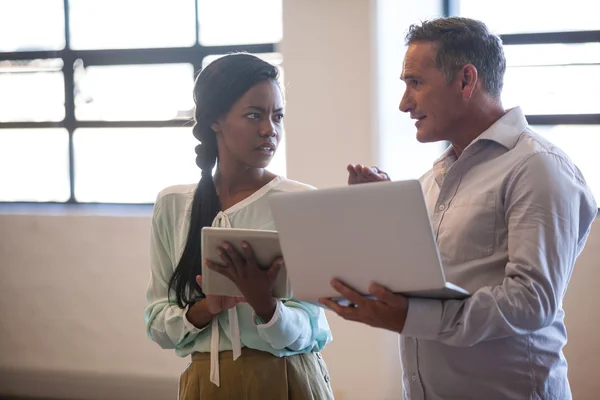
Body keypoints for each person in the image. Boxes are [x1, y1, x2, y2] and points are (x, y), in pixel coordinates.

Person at [320, 17, 598, 400]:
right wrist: (387, 217)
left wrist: (412, 318)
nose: (404, 104)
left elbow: (531, 301)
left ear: (467, 80)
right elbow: (431, 276)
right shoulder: (430, 181)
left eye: (415, 83)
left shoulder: (538, 168)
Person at [144, 53, 334, 400]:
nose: (269, 129)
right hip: (206, 385)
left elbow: (311, 327)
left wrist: (265, 305)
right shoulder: (173, 205)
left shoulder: (302, 203)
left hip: (288, 379)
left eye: (277, 116)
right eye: (254, 115)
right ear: (216, 119)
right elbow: (158, 323)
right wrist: (208, 307)